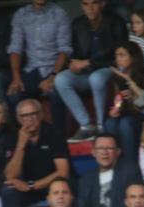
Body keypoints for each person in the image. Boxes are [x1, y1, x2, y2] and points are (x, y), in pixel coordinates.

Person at [53, 0, 127, 142]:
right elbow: (75, 54)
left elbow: (121, 56)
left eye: (94, 3)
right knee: (61, 79)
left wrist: (89, 62)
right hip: (87, 71)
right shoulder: (78, 24)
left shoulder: (116, 22)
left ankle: (100, 126)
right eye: (85, 4)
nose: (90, 8)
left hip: (109, 69)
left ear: (102, 4)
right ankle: (86, 125)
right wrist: (73, 63)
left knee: (96, 78)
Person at [0, 99, 69, 207]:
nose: (29, 120)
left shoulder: (53, 132)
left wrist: (32, 185)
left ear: (41, 115)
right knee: (8, 191)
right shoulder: (13, 137)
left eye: (33, 114)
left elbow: (63, 172)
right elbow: (10, 176)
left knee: (65, 187)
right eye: (24, 116)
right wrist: (21, 145)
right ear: (18, 119)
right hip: (29, 189)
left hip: (53, 185)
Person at [6, 0, 72, 106]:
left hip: (54, 69)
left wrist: (52, 77)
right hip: (32, 69)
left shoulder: (59, 14)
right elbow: (15, 48)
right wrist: (16, 77)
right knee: (14, 94)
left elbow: (64, 50)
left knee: (56, 92)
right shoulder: (21, 14)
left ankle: (58, 124)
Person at [79, 133, 143, 207]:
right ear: (93, 152)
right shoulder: (86, 179)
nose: (105, 152)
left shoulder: (130, 172)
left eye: (109, 148)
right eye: (100, 148)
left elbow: (137, 204)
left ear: (118, 152)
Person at [105, 42, 144, 159]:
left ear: (133, 57)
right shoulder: (115, 78)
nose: (118, 59)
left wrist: (133, 94)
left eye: (122, 55)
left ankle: (130, 163)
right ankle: (115, 163)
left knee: (125, 123)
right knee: (110, 122)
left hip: (141, 116)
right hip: (123, 115)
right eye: (117, 55)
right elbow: (113, 103)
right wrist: (113, 111)